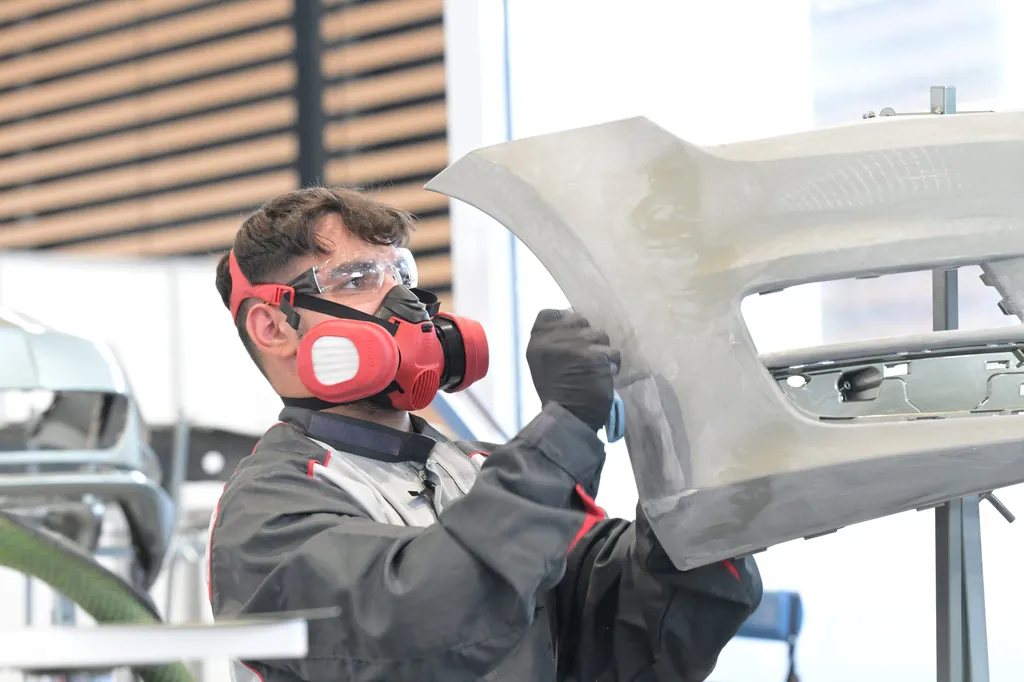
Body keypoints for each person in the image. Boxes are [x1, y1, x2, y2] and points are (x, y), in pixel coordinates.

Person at [207, 186, 763, 682]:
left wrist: (701, 487)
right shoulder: (265, 514)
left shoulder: (478, 471)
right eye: (357, 279)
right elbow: (427, 621)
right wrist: (564, 427)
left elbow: (633, 635)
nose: (405, 302)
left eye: (402, 274)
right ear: (273, 326)